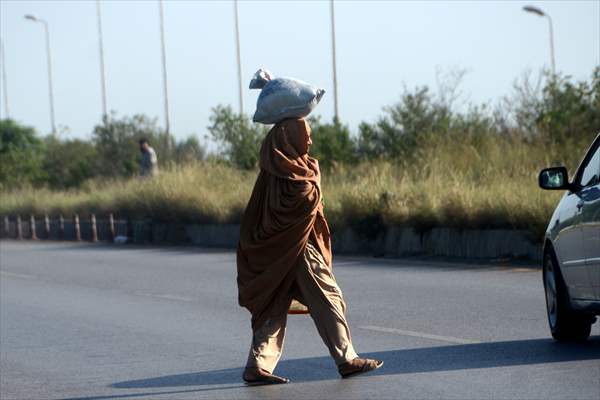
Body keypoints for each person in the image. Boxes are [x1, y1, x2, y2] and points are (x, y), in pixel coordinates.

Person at [237, 118, 383, 385]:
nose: (310, 141)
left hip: (278, 250)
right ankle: (346, 359)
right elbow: (299, 204)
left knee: (274, 304)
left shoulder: (281, 168)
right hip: (297, 247)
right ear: (288, 137)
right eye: (306, 135)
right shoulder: (288, 173)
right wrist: (312, 181)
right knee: (329, 298)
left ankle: (257, 365)